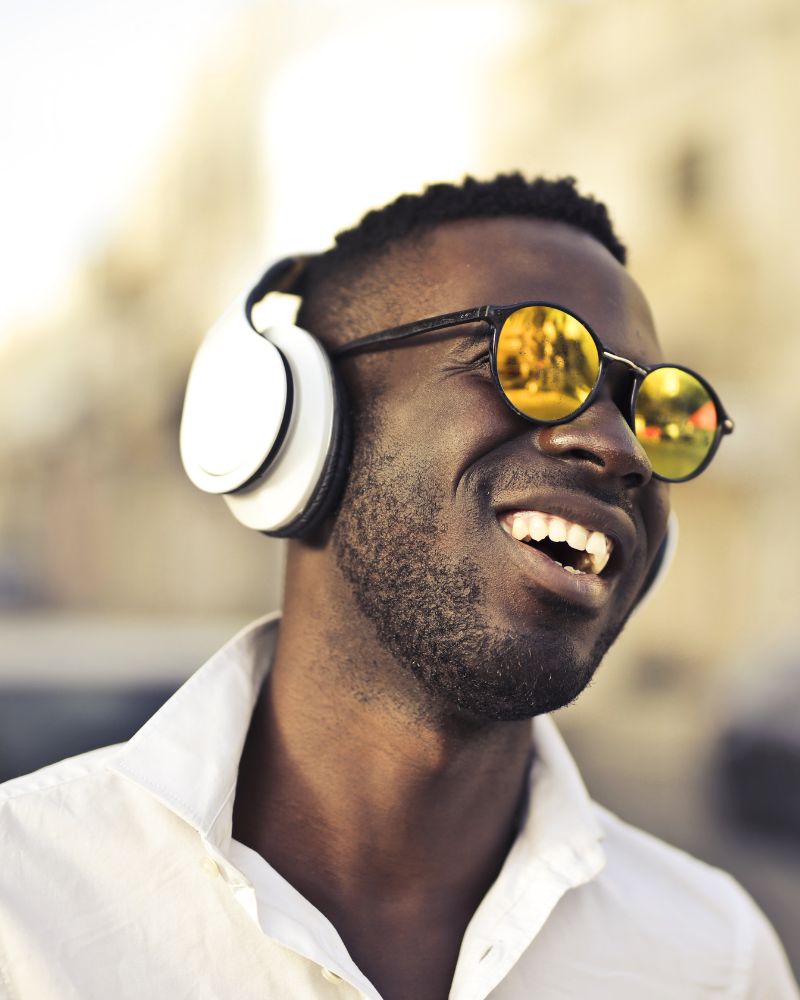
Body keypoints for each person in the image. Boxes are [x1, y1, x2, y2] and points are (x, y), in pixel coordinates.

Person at [0, 175, 796, 1000]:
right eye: (534, 359)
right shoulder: (23, 914)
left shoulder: (717, 960)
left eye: (659, 412)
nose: (621, 447)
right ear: (296, 426)